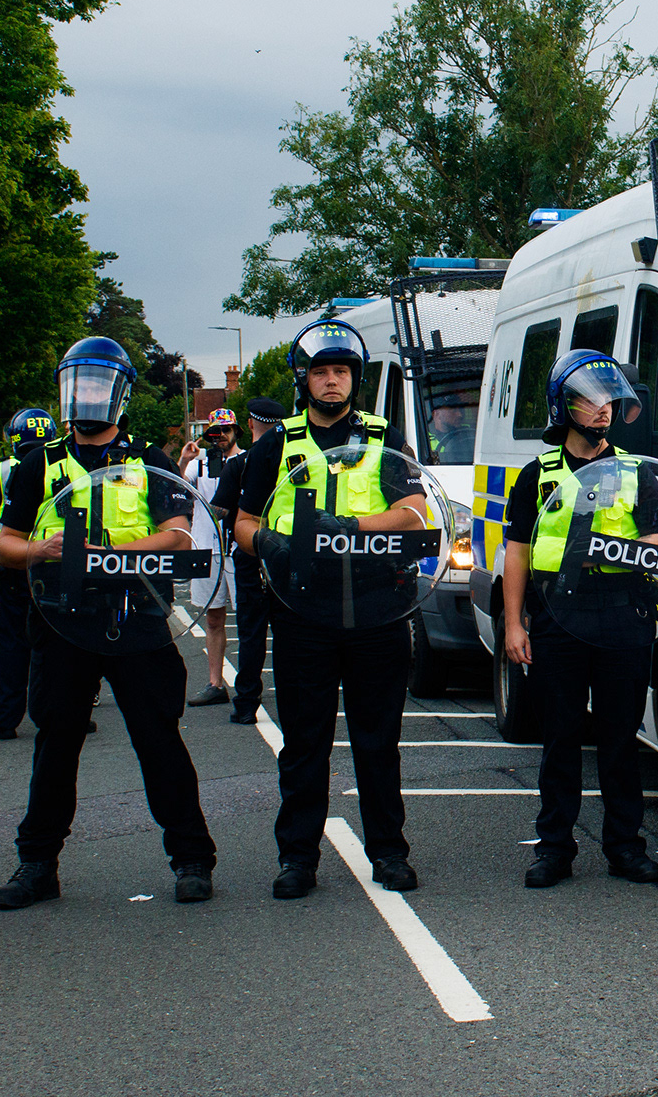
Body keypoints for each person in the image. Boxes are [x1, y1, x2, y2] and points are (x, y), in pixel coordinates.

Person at [0, 336, 217, 910]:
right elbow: (3, 544)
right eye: (79, 383)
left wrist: (109, 548)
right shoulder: (38, 463)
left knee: (159, 740)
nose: (86, 395)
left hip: (136, 620)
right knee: (56, 743)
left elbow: (179, 533)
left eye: (98, 384)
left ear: (119, 394)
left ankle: (192, 859)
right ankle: (37, 863)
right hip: (63, 623)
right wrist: (41, 550)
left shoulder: (149, 460)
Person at [230, 321, 428, 900]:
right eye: (322, 371)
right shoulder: (276, 444)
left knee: (377, 739)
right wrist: (266, 542)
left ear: (355, 379)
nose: (333, 381)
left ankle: (389, 853)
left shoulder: (384, 436)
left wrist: (350, 527)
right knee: (304, 741)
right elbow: (243, 520)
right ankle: (298, 858)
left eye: (342, 371)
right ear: (304, 380)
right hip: (303, 608)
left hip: (377, 604)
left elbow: (415, 509)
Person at [504, 350, 658, 890]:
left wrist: (607, 550)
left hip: (623, 615)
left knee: (620, 739)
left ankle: (625, 847)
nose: (603, 410)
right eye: (590, 399)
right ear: (564, 405)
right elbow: (516, 554)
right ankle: (555, 848)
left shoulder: (638, 472)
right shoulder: (534, 477)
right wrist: (513, 625)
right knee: (560, 738)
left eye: (610, 400)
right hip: (557, 618)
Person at [0, 407, 58, 740]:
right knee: (51, 645)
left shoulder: (1, 471)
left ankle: (3, 720)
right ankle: (53, 711)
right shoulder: (57, 464)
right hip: (49, 566)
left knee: (10, 644)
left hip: (10, 565)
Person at [221, 397, 287, 724]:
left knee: (251, 633)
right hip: (287, 553)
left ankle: (246, 702)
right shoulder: (292, 460)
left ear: (249, 424)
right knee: (290, 631)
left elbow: (220, 510)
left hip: (250, 554)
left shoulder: (238, 464)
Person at [179, 409, 240, 707]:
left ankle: (250, 683)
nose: (222, 436)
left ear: (236, 432)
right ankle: (216, 683)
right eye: (216, 431)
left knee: (250, 619)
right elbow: (176, 488)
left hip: (237, 549)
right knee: (213, 618)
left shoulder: (246, 460)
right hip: (205, 547)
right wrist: (184, 459)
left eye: (227, 430)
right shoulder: (199, 464)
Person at [427, 393, 477, 464]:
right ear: (437, 414)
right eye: (453, 411)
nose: (460, 414)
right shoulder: (426, 442)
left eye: (460, 410)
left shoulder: (471, 434)